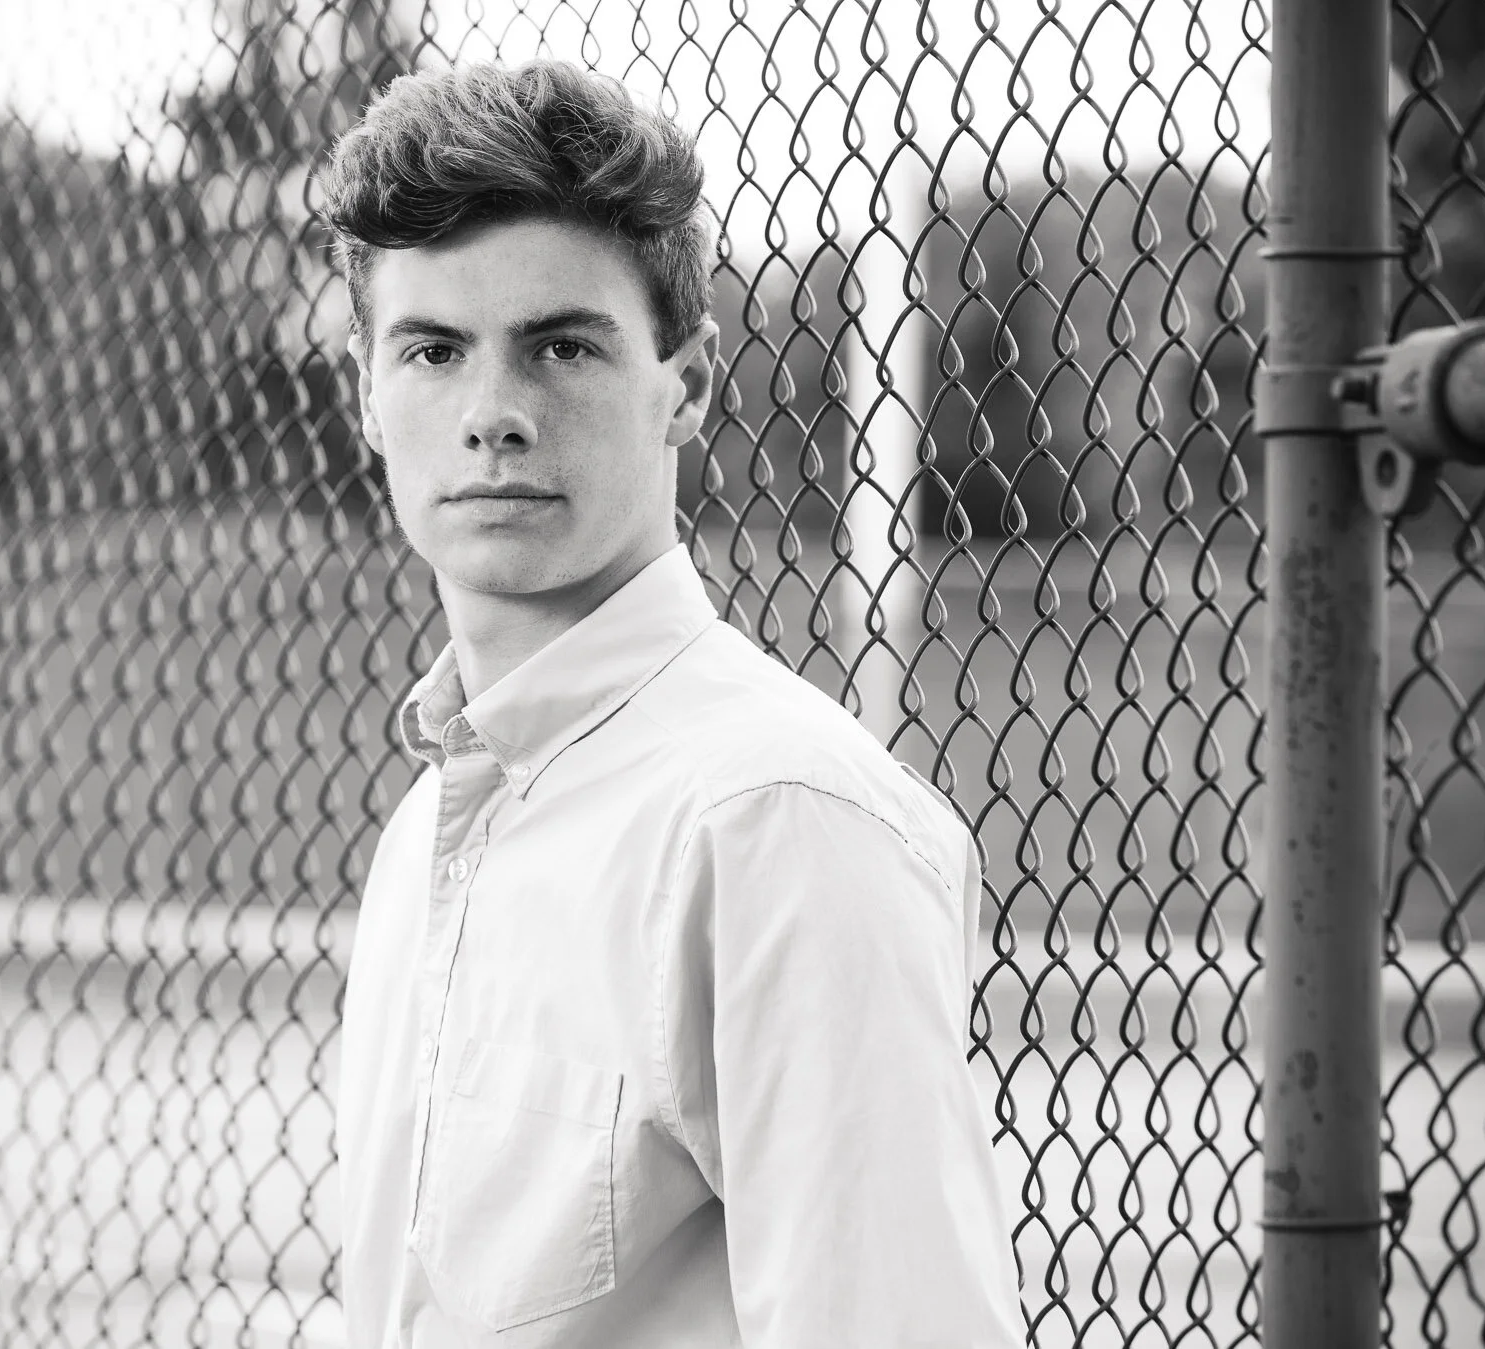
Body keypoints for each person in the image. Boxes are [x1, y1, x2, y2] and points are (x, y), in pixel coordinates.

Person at [319, 59, 1023, 1348]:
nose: (494, 415)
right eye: (433, 351)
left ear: (685, 386)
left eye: (563, 347)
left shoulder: (776, 825)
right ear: (369, 393)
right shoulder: (425, 835)